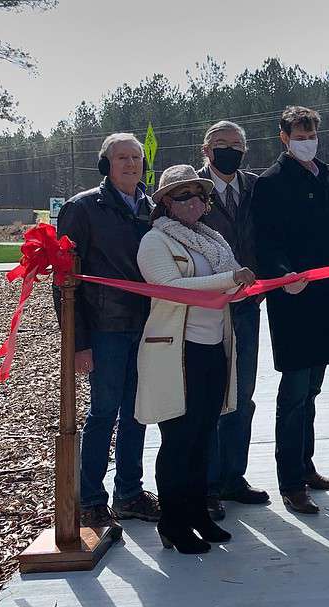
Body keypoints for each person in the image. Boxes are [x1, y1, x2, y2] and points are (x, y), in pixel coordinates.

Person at [135, 164, 255, 553]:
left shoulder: (215, 240)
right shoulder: (154, 241)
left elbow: (234, 285)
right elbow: (170, 288)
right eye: (182, 195)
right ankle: (173, 522)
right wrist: (231, 280)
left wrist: (275, 283)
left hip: (212, 348)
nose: (192, 202)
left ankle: (198, 514)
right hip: (175, 351)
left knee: (204, 437)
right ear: (166, 202)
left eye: (199, 196)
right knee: (178, 441)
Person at [54, 132, 160, 529]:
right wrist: (78, 342)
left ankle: (129, 493)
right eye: (121, 159)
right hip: (105, 328)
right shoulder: (82, 209)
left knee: (138, 412)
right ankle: (91, 499)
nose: (131, 164)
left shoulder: (152, 208)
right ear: (106, 165)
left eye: (136, 157)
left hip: (147, 326)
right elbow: (64, 281)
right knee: (103, 413)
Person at [251, 106, 329, 515]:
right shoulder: (271, 183)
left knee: (312, 390)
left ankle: (305, 466)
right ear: (284, 138)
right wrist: (283, 274)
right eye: (300, 134)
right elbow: (264, 241)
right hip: (291, 299)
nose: (307, 140)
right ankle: (290, 481)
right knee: (293, 392)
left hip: (323, 298)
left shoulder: (322, 176)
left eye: (312, 133)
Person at [196, 120, 269, 521]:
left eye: (236, 145)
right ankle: (206, 484)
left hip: (248, 306)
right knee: (209, 395)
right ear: (206, 150)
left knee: (242, 394)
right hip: (207, 308)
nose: (230, 151)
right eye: (221, 145)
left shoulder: (257, 188)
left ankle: (232, 478)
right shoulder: (193, 190)